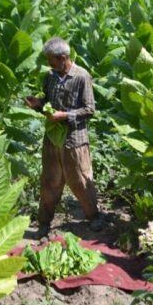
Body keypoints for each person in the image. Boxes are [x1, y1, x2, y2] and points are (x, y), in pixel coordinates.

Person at [25, 37, 106, 237]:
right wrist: (39, 104)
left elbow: (89, 109)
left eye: (51, 60)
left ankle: (94, 216)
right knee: (50, 180)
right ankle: (44, 223)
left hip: (74, 139)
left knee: (80, 180)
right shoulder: (50, 76)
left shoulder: (81, 77)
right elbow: (47, 102)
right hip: (52, 138)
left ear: (63, 58)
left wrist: (65, 115)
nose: (49, 64)